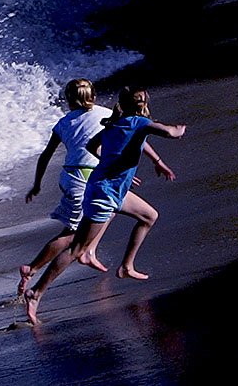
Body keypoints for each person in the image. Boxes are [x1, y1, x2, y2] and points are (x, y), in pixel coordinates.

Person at [24, 85, 185, 325]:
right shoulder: (138, 123)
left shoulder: (114, 125)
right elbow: (171, 133)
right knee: (76, 247)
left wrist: (112, 163)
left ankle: (126, 267)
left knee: (149, 215)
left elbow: (91, 146)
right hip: (104, 193)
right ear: (141, 105)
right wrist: (181, 129)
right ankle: (35, 293)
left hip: (109, 189)